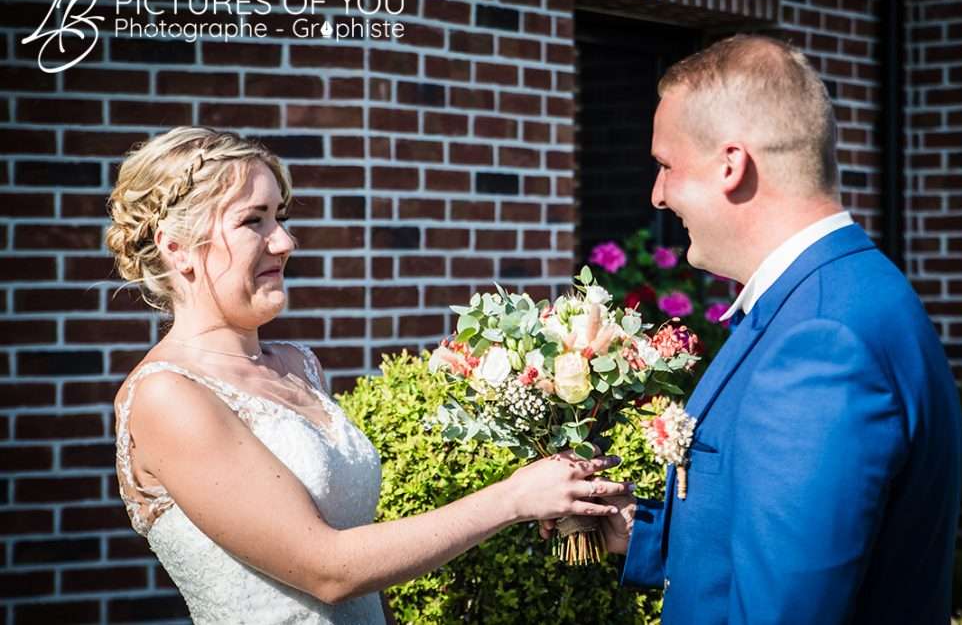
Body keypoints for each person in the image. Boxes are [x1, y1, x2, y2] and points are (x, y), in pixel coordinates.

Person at [107, 126, 627, 624]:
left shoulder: (298, 366)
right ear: (176, 248)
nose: (285, 241)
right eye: (254, 221)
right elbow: (326, 569)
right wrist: (512, 499)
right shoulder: (169, 395)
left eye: (280, 217)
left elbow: (363, 568)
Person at [593, 35, 962, 622]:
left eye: (666, 165)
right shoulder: (844, 291)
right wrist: (637, 531)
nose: (657, 195)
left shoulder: (822, 341)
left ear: (730, 166)